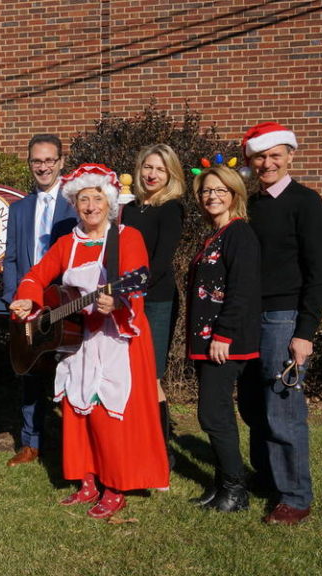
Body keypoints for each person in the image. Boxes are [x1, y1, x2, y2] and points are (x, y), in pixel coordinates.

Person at [10, 164, 169, 519]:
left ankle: (116, 486)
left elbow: (135, 286)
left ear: (109, 202)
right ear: (75, 204)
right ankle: (87, 481)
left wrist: (118, 302)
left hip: (115, 337)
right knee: (76, 410)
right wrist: (28, 299)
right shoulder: (67, 243)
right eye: (83, 198)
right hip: (76, 339)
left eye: (97, 197)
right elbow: (37, 277)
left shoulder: (126, 238)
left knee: (107, 413)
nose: (91, 205)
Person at [237, 122, 322, 525]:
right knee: (253, 407)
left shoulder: (305, 202)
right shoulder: (249, 206)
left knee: (282, 408)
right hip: (247, 317)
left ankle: (295, 496)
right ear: (250, 161)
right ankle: (268, 479)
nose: (268, 163)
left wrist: (304, 332)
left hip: (283, 317)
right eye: (260, 156)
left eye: (276, 155)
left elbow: (319, 271)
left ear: (290, 156)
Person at [186, 164, 260, 512]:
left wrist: (224, 335)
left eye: (219, 190)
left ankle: (236, 491)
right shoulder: (214, 235)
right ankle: (223, 485)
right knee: (216, 415)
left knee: (213, 415)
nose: (212, 196)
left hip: (225, 342)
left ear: (234, 194)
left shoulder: (239, 234)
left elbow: (243, 290)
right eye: (205, 191)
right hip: (207, 341)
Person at [1, 134, 77, 466]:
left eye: (49, 160)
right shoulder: (18, 209)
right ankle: (31, 443)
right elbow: (12, 259)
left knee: (73, 373)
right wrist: (13, 299)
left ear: (61, 162)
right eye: (36, 161)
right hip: (28, 305)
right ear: (29, 164)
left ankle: (73, 445)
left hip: (67, 302)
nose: (43, 167)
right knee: (30, 374)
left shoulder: (77, 205)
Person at [121, 144, 184, 466]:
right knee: (128, 374)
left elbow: (160, 261)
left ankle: (163, 451)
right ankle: (135, 442)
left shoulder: (171, 208)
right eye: (148, 167)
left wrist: (133, 287)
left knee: (151, 375)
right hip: (123, 301)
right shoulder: (128, 208)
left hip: (155, 302)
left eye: (160, 169)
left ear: (170, 174)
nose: (152, 174)